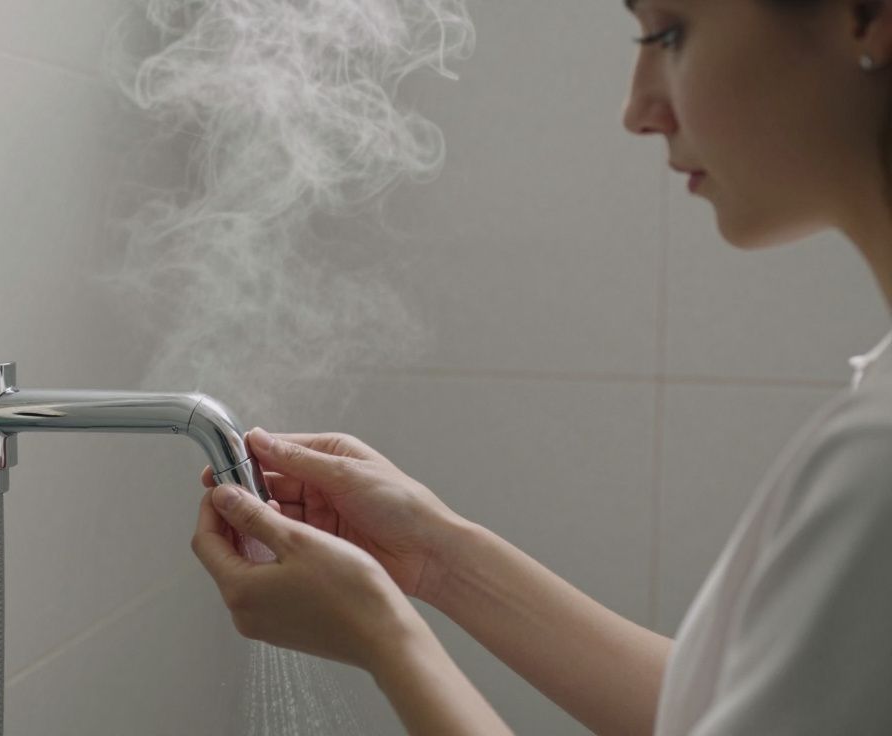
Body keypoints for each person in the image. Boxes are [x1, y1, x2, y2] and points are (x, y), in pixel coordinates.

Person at [190, 1, 892, 734]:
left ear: (867, 15)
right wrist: (436, 554)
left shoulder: (878, 457)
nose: (637, 111)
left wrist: (381, 634)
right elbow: (726, 711)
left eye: (669, 33)